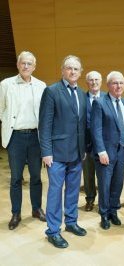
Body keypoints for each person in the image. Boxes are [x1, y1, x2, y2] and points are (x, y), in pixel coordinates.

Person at [39, 55, 87, 248]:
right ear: (62, 70)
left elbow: (82, 124)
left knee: (73, 191)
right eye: (69, 68)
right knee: (55, 192)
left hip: (76, 153)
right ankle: (52, 230)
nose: (72, 72)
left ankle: (71, 222)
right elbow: (45, 124)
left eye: (76, 69)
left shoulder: (82, 94)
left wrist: (83, 148)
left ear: (80, 72)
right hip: (56, 154)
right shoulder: (51, 91)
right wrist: (46, 152)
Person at [0, 51, 46, 230]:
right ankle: (16, 213)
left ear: (34, 67)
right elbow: (1, 109)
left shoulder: (42, 86)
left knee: (36, 177)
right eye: (23, 63)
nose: (26, 66)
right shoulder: (5, 84)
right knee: (16, 178)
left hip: (36, 137)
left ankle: (36, 209)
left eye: (29, 64)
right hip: (16, 138)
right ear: (18, 65)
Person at [91, 71, 124, 230]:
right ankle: (104, 214)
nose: (118, 86)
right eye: (115, 83)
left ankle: (114, 211)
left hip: (122, 150)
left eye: (121, 83)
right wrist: (101, 151)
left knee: (118, 183)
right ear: (108, 85)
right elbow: (96, 130)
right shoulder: (100, 103)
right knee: (104, 185)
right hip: (106, 153)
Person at [83, 71, 105, 212]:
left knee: (103, 175)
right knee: (88, 174)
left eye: (97, 79)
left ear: (101, 81)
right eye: (91, 80)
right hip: (87, 144)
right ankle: (90, 199)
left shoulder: (107, 98)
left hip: (103, 145)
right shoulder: (81, 98)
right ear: (87, 82)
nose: (94, 82)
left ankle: (104, 201)